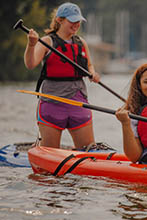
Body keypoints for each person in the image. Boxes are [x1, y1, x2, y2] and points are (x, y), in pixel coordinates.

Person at [24, 2, 100, 149]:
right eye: (72, 20)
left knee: (88, 151)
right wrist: (31, 45)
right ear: (59, 20)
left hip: (78, 101)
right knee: (49, 155)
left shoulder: (81, 42)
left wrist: (93, 73)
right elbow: (30, 63)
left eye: (78, 21)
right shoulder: (47, 41)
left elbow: (89, 65)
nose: (76, 24)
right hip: (53, 102)